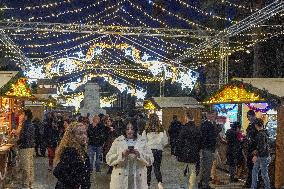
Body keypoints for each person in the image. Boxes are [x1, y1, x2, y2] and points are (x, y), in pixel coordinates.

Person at [106, 120, 154, 189]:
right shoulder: (117, 141)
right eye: (127, 129)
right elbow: (108, 159)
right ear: (124, 130)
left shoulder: (143, 141)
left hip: (138, 180)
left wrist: (139, 155)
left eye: (132, 128)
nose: (130, 131)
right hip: (120, 180)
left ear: (136, 129)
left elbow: (150, 160)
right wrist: (121, 155)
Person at [53, 122, 91, 189]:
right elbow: (58, 171)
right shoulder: (70, 151)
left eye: (85, 133)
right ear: (72, 136)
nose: (84, 136)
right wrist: (74, 184)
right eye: (80, 134)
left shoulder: (82, 151)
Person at [176, 112, 201, 189]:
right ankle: (191, 187)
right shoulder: (197, 129)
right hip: (193, 152)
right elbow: (200, 141)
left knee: (180, 170)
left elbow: (180, 141)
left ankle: (182, 186)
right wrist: (197, 150)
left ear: (186, 118)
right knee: (192, 171)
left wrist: (178, 152)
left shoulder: (183, 128)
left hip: (183, 153)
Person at [145, 113, 168, 189]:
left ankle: (147, 185)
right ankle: (159, 183)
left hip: (149, 151)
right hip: (158, 151)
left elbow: (143, 141)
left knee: (148, 169)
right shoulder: (161, 129)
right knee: (157, 168)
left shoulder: (147, 129)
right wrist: (160, 145)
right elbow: (165, 142)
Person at [199, 110, 218, 189]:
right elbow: (210, 137)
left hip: (205, 148)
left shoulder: (204, 124)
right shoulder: (208, 125)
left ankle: (201, 183)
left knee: (204, 167)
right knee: (207, 167)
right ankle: (205, 185)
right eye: (214, 115)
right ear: (209, 116)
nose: (215, 117)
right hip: (208, 148)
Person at [251, 118, 271, 189]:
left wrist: (256, 155)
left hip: (263, 157)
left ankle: (267, 187)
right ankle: (253, 187)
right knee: (255, 172)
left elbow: (262, 147)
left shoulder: (260, 134)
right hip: (264, 156)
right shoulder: (265, 132)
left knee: (263, 174)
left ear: (256, 125)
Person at [17, 109, 35, 188]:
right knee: (30, 166)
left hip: (25, 147)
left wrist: (18, 142)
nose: (21, 116)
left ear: (26, 116)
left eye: (22, 114)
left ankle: (26, 185)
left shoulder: (26, 124)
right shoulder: (30, 123)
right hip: (30, 147)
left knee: (25, 167)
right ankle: (30, 183)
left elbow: (25, 137)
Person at [244, 110, 258, 188]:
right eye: (248, 117)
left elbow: (258, 137)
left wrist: (256, 150)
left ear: (253, 116)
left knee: (253, 168)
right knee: (250, 167)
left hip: (254, 149)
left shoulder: (257, 123)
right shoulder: (250, 124)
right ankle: (249, 183)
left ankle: (252, 184)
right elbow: (249, 135)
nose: (248, 118)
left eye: (249, 117)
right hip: (250, 148)